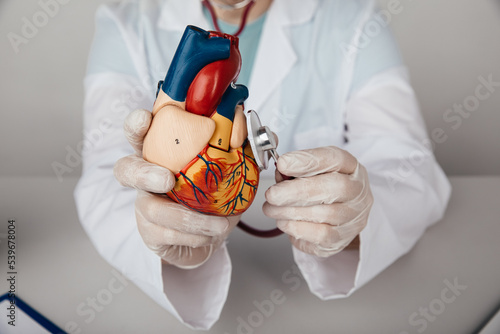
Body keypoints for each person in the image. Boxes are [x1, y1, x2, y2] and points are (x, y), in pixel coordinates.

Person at [74, 0, 451, 330]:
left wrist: (358, 217)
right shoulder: (126, 21)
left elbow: (409, 165)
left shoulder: (352, 18)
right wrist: (157, 232)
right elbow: (103, 179)